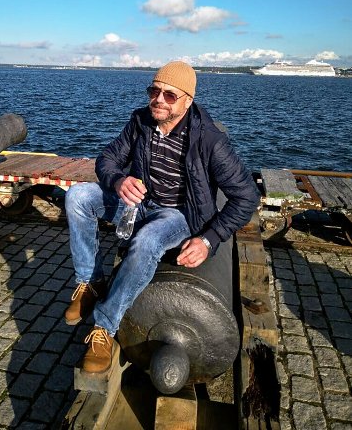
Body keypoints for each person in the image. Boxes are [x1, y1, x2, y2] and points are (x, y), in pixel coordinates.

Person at [64, 61, 260, 374]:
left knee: (147, 241)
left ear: (188, 100)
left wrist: (209, 239)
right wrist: (118, 180)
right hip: (140, 202)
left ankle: (104, 328)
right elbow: (107, 159)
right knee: (77, 196)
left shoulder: (210, 140)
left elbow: (247, 196)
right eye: (154, 91)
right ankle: (90, 282)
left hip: (180, 214)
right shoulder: (141, 121)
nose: (158, 99)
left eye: (170, 95)